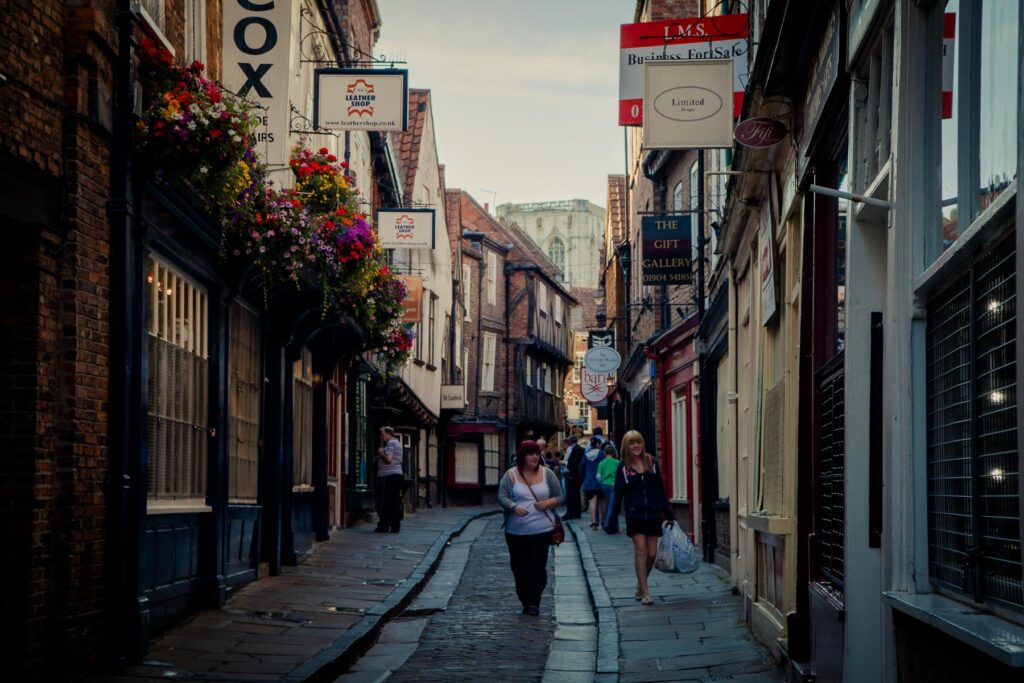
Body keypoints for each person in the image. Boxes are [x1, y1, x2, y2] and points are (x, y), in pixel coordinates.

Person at [497, 440, 564, 616]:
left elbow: (559, 496)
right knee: (519, 567)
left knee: (537, 565)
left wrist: (547, 503)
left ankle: (534, 601)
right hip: (515, 531)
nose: (535, 456)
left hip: (541, 530)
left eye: (536, 453)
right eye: (530, 454)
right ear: (522, 457)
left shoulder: (547, 474)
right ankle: (525, 598)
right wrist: (513, 506)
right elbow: (502, 496)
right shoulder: (510, 475)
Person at [610, 430, 673, 605]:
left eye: (638, 442)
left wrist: (668, 514)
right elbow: (618, 494)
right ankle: (645, 592)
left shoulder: (651, 462)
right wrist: (613, 518)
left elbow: (660, 489)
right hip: (635, 513)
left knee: (652, 554)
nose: (635, 446)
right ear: (626, 446)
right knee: (641, 551)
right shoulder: (623, 468)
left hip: (653, 513)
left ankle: (640, 583)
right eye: (631, 443)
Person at [374, 426, 404, 533]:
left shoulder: (391, 443)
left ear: (388, 434)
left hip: (389, 476)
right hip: (394, 475)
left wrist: (381, 451)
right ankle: (394, 526)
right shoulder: (397, 443)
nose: (381, 437)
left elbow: (389, 460)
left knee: (386, 502)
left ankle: (384, 526)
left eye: (382, 435)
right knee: (393, 502)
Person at [579, 435, 606, 529]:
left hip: (589, 482)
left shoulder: (586, 455)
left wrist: (584, 479)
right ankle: (603, 521)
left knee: (592, 500)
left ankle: (594, 522)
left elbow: (580, 468)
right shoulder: (602, 454)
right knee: (602, 501)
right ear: (598, 444)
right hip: (601, 482)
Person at [597, 443, 620, 533]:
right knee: (612, 505)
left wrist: (602, 482)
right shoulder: (617, 462)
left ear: (604, 453)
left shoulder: (601, 463)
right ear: (613, 453)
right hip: (614, 485)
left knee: (609, 504)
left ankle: (615, 524)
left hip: (604, 485)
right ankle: (607, 524)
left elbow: (598, 476)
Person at [563, 436, 584, 519]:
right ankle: (575, 512)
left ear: (570, 442)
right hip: (576, 476)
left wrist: (571, 474)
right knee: (575, 495)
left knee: (572, 495)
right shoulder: (579, 449)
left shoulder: (575, 449)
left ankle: (571, 513)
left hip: (573, 476)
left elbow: (574, 464)